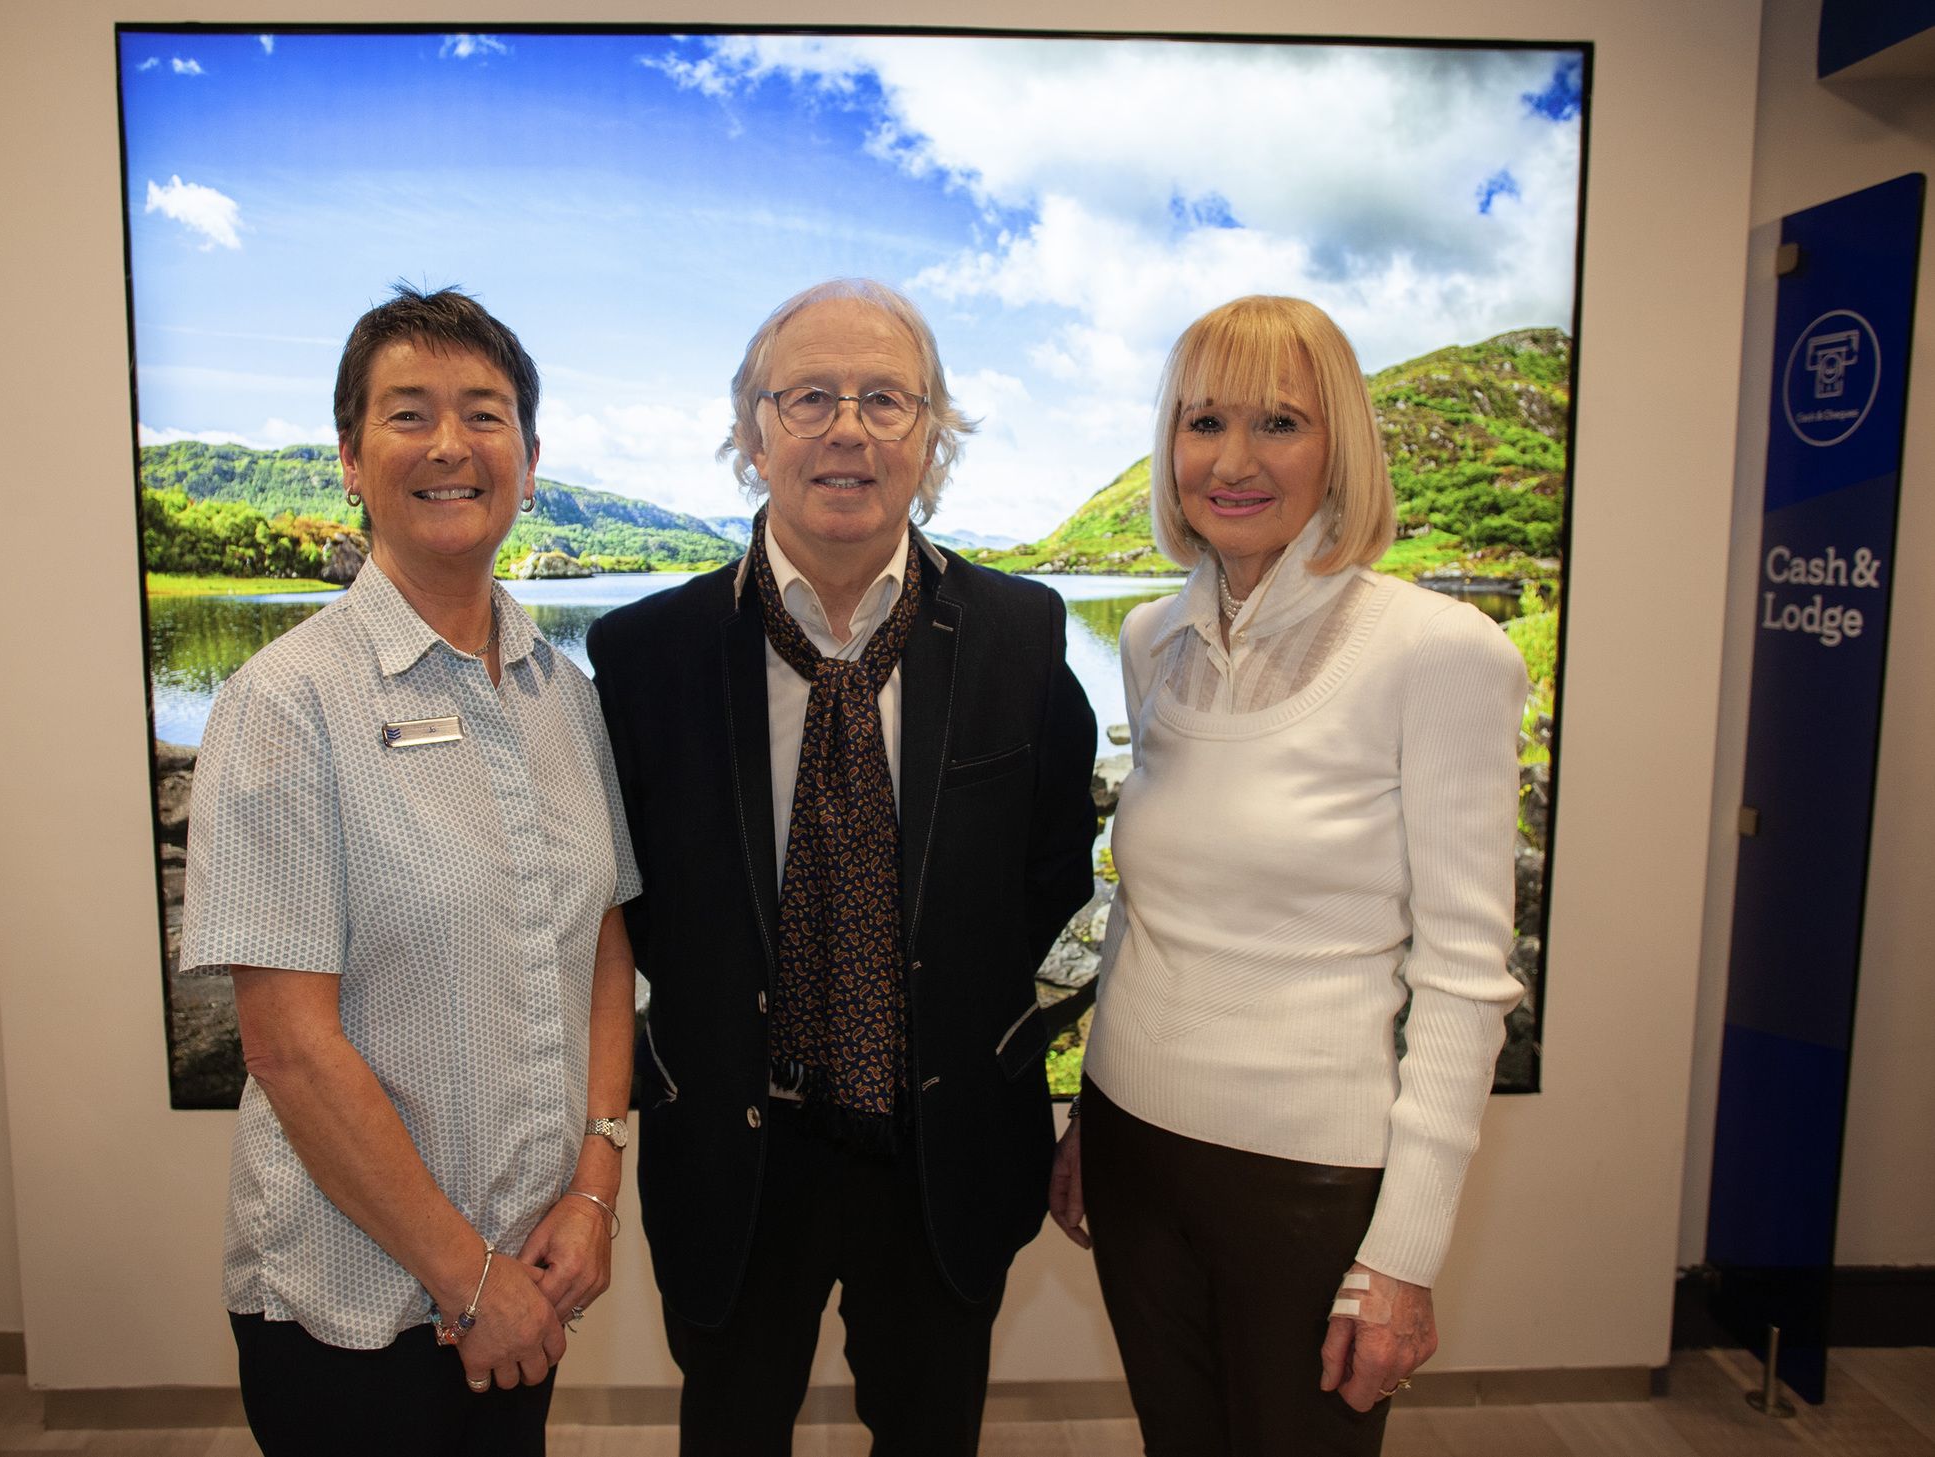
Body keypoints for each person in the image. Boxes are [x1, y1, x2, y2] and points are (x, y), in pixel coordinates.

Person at [586, 277, 1098, 1456]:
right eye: (809, 395)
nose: (847, 428)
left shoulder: (1020, 635)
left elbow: (1048, 876)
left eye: (884, 398)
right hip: (733, 1142)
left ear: (931, 436)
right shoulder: (643, 654)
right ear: (750, 432)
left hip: (943, 1151)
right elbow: (633, 903)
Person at [1048, 295, 1528, 1455]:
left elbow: (1465, 982)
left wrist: (1402, 1254)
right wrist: (1084, 1123)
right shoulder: (1150, 640)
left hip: (1310, 1182)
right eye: (1201, 421)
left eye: (1278, 422)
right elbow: (1146, 908)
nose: (1233, 460)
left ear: (1340, 446)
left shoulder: (1440, 654)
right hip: (1132, 1147)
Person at [180, 286, 641, 1455]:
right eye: (407, 414)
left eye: (484, 414)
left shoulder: (564, 696)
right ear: (348, 457)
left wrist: (593, 1183)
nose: (450, 445)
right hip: (357, 1313)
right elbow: (288, 1045)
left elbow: (598, 940)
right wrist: (466, 1276)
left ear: (529, 462)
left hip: (534, 1271)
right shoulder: (284, 704)